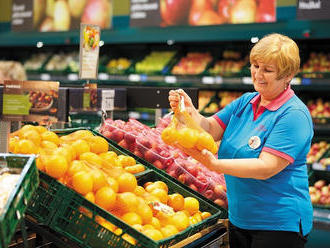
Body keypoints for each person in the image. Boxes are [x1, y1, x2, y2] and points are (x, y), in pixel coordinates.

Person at [169, 33, 313, 248]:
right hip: (240, 218)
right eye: (255, 66)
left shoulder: (293, 114)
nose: (258, 74)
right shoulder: (246, 102)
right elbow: (210, 129)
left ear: (287, 75)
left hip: (279, 225)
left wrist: (214, 164)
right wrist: (188, 113)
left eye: (268, 70)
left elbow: (266, 167)